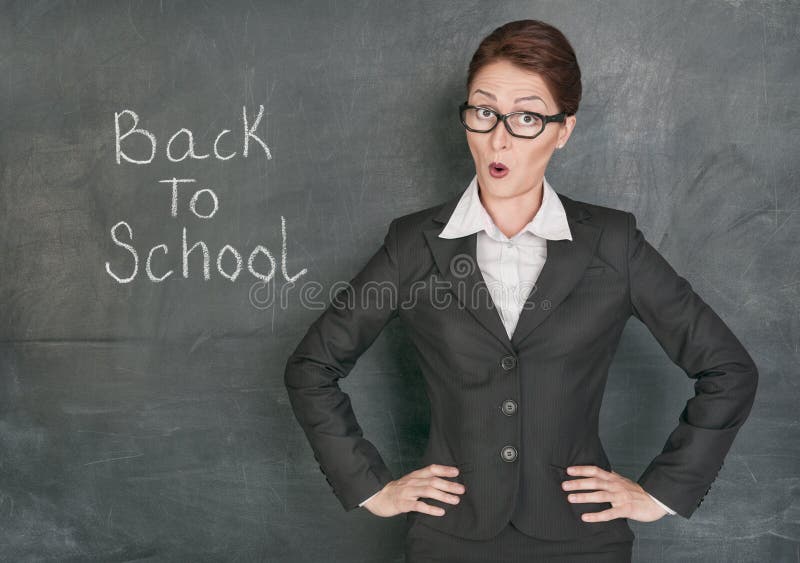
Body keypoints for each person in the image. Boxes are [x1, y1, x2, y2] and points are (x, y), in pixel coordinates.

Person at [284, 19, 759, 563]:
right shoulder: (414, 243)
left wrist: (661, 492)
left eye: (527, 117)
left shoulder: (613, 242)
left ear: (563, 130)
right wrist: (372, 487)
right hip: (450, 537)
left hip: (583, 539)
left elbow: (727, 369)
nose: (500, 137)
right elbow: (312, 367)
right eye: (485, 112)